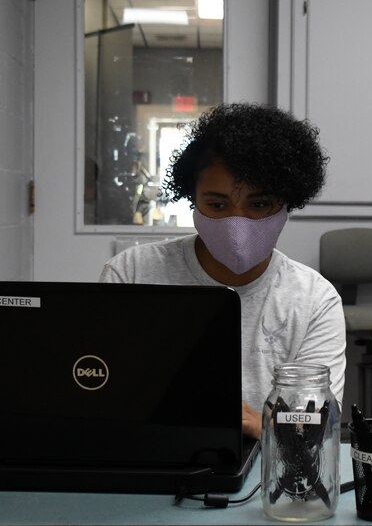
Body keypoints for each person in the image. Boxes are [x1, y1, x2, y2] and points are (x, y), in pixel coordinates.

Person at [100, 103, 346, 440]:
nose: (237, 224)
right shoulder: (131, 274)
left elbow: (316, 426)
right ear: (193, 200)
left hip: (266, 475)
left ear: (288, 203)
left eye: (259, 205)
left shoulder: (314, 300)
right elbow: (100, 394)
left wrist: (261, 426)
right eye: (217, 205)